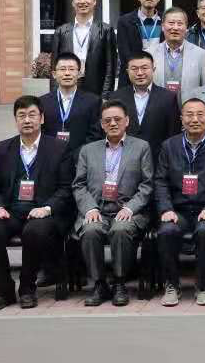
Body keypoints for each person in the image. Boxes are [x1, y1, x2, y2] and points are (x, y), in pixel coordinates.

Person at [0, 96, 73, 310]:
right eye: (21, 116)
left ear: (42, 118)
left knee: (34, 231)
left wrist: (47, 208)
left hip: (43, 212)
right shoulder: (2, 149)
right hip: (11, 211)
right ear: (16, 120)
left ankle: (27, 288)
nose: (27, 120)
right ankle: (3, 290)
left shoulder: (59, 148)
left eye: (32, 115)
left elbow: (66, 188)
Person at [73, 99, 154, 307]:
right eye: (107, 120)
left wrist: (130, 208)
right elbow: (79, 185)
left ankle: (119, 283)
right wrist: (89, 208)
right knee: (90, 230)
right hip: (97, 210)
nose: (113, 123)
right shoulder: (87, 150)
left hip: (128, 210)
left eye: (117, 119)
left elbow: (147, 185)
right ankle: (99, 284)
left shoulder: (141, 147)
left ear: (127, 121)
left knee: (121, 229)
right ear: (102, 124)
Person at [154, 98, 205, 307]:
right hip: (178, 210)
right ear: (181, 119)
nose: (194, 119)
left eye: (199, 114)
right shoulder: (169, 146)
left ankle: (203, 286)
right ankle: (172, 285)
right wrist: (166, 209)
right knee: (167, 230)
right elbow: (160, 181)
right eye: (189, 115)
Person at [113, 51, 180, 166]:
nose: (140, 73)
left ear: (153, 69)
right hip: (123, 162)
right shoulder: (116, 97)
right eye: (134, 69)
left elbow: (173, 134)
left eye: (144, 68)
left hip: (158, 161)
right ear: (127, 72)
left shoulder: (169, 98)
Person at [50, 0, 117, 97]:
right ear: (72, 3)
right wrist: (54, 95)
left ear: (94, 2)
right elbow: (54, 66)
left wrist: (105, 96)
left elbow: (110, 66)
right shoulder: (61, 31)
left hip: (95, 89)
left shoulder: (106, 30)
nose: (82, 1)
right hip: (67, 89)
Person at [38, 52, 101, 152]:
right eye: (62, 69)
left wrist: (79, 155)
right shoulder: (42, 102)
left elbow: (95, 134)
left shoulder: (93, 102)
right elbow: (39, 132)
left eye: (72, 69)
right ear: (54, 74)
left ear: (79, 74)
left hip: (81, 157)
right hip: (50, 156)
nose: (67, 73)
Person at [115, 0, 163, 87]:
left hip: (159, 75)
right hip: (133, 77)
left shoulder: (165, 20)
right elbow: (124, 54)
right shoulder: (125, 21)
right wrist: (141, 70)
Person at [152, 7, 205, 97]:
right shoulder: (150, 53)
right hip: (159, 105)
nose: (175, 28)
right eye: (171, 23)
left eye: (180, 24)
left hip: (190, 105)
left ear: (186, 28)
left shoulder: (201, 54)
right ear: (162, 26)